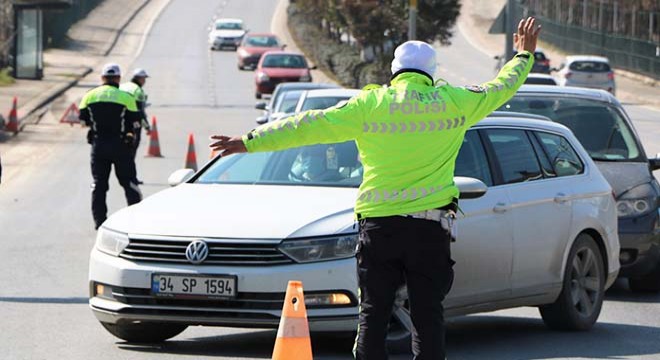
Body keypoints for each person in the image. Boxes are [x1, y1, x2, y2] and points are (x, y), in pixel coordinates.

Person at [210, 17, 541, 359]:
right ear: (431, 72)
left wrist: (249, 141)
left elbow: (307, 126)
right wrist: (523, 56)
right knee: (428, 316)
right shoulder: (455, 102)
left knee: (373, 313)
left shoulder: (369, 105)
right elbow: (502, 87)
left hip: (379, 229)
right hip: (430, 229)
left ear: (394, 71)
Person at [79, 63, 143, 230]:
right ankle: (136, 221)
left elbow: (83, 118)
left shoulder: (89, 95)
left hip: (98, 145)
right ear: (118, 78)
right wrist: (130, 136)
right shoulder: (126, 97)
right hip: (121, 146)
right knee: (129, 183)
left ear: (102, 78)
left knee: (99, 184)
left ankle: (99, 222)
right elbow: (135, 122)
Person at [120, 68, 151, 185]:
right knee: (131, 151)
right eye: (144, 78)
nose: (145, 81)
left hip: (118, 122)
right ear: (140, 78)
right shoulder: (138, 91)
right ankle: (131, 177)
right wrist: (147, 127)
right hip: (133, 124)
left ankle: (124, 175)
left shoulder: (122, 86)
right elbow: (140, 113)